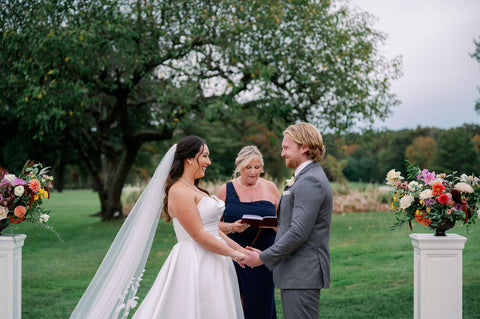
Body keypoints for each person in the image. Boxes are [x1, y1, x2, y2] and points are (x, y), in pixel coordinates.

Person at [70, 136, 247, 319]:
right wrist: (234, 254)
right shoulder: (179, 191)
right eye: (205, 156)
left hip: (215, 257)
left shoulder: (195, 189)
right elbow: (199, 234)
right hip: (195, 260)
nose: (208, 162)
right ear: (189, 158)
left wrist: (241, 250)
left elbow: (211, 229)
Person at [243, 122, 333, 319]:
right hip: (296, 274)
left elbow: (298, 232)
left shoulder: (311, 180)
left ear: (304, 147)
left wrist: (262, 258)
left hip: (302, 275)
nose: (282, 153)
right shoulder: (305, 177)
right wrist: (266, 251)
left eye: (286, 148)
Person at [216, 145, 280, 319]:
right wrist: (231, 227)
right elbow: (210, 226)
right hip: (235, 256)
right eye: (248, 167)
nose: (253, 172)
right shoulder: (225, 190)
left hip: (264, 257)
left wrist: (273, 225)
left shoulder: (271, 188)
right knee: (238, 304)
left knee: (262, 304)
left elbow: (284, 222)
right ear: (238, 165)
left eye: (257, 167)